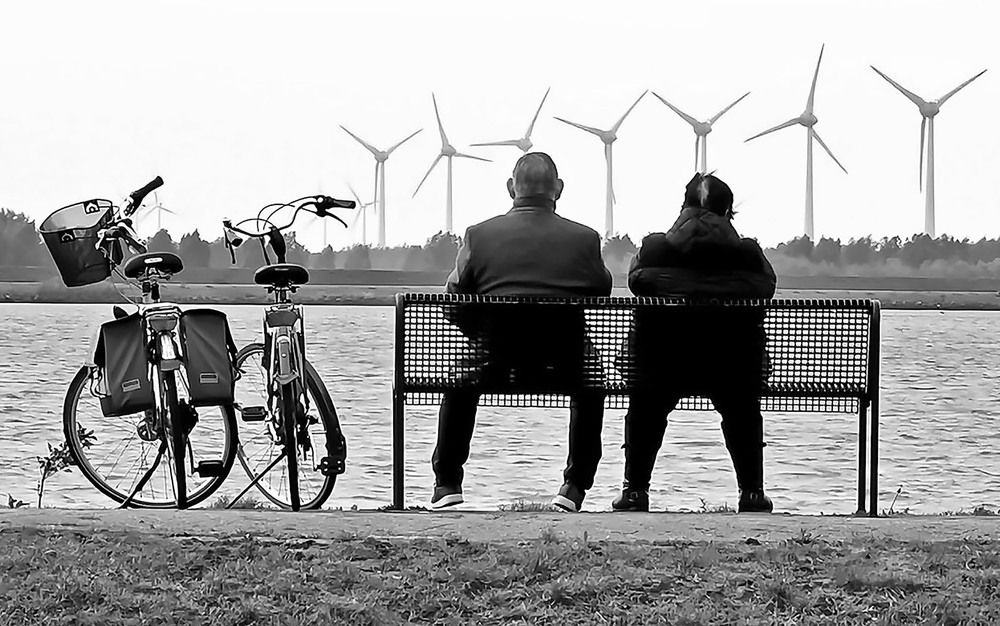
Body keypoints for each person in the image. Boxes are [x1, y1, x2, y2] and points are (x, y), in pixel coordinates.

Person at [432, 152, 612, 512]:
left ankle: (447, 483)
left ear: (511, 188)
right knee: (592, 380)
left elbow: (454, 299)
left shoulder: (479, 235)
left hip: (493, 361)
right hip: (565, 362)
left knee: (459, 379)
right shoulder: (585, 238)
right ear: (558, 189)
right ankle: (574, 487)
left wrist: (478, 331)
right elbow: (600, 291)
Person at [613, 172, 776, 513]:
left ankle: (635, 491)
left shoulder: (655, 248)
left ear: (683, 206)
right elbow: (766, 287)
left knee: (646, 404)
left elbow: (636, 281)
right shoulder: (748, 254)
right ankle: (752, 491)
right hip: (732, 371)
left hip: (660, 369)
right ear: (728, 211)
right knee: (742, 407)